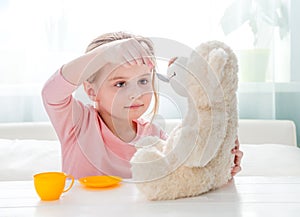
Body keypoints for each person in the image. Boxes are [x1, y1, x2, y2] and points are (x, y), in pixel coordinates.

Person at [42, 31, 243, 179]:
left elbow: (185, 180)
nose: (136, 93)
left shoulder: (157, 137)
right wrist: (104, 54)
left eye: (143, 81)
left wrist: (220, 164)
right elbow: (51, 93)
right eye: (120, 84)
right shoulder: (78, 124)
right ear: (91, 91)